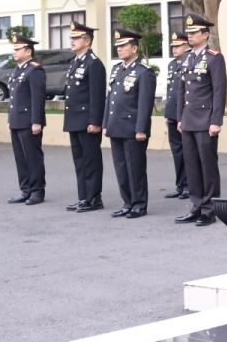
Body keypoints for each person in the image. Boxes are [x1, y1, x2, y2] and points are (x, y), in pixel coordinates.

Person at [175, 14, 227, 227]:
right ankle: (196, 205)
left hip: (206, 119)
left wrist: (216, 121)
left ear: (205, 35)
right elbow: (181, 90)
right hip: (188, 119)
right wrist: (180, 117)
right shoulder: (187, 57)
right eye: (188, 32)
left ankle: (210, 208)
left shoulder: (214, 57)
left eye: (194, 32)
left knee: (207, 165)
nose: (189, 35)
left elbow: (219, 90)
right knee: (192, 165)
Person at [104, 30, 157, 218]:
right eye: (117, 46)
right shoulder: (117, 69)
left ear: (134, 48)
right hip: (116, 126)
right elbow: (110, 98)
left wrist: (141, 129)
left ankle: (139, 204)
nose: (119, 49)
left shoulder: (144, 72)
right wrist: (106, 123)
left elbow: (145, 104)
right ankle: (127, 202)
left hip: (133, 128)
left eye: (123, 45)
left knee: (135, 168)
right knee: (121, 168)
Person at [63, 22, 106, 213]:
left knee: (91, 161)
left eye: (76, 38)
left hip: (87, 121)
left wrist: (95, 121)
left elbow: (96, 95)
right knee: (79, 161)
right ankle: (83, 197)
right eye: (71, 38)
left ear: (87, 41)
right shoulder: (75, 62)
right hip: (74, 120)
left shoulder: (93, 63)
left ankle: (94, 198)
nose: (71, 41)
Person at [6, 34, 48, 205]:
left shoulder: (35, 69)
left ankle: (37, 190)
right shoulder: (18, 70)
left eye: (18, 49)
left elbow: (37, 98)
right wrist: (10, 120)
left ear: (28, 51)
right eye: (14, 49)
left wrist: (37, 121)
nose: (14, 52)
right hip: (17, 120)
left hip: (29, 122)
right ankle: (25, 189)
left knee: (32, 157)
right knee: (20, 158)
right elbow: (14, 98)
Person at [163, 33, 190, 200]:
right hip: (173, 114)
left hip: (185, 114)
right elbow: (170, 91)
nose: (174, 49)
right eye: (173, 46)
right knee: (177, 152)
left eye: (178, 46)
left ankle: (189, 185)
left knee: (187, 152)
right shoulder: (172, 65)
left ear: (186, 46)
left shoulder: (190, 62)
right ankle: (180, 185)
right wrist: (168, 114)